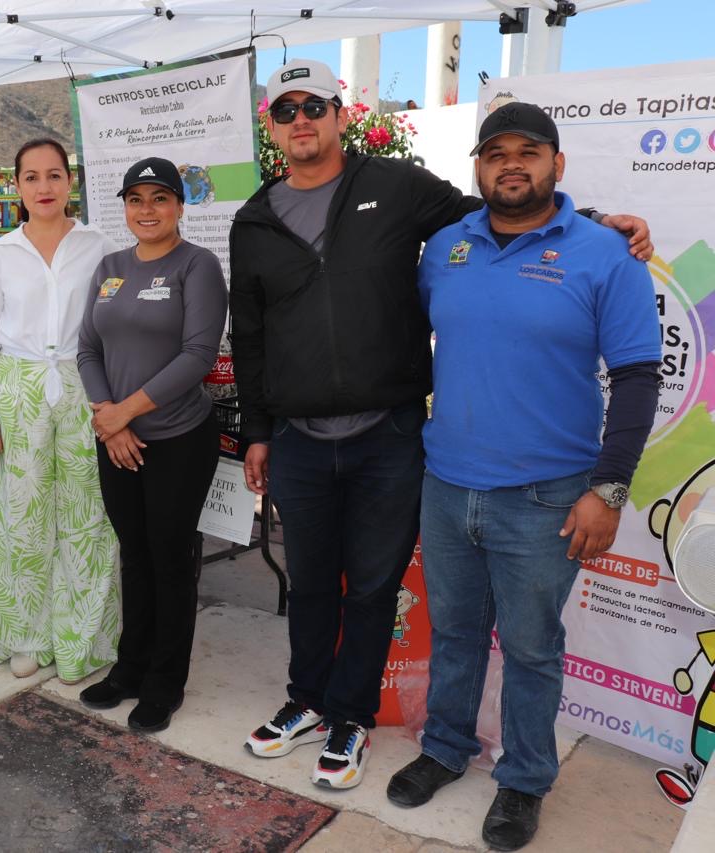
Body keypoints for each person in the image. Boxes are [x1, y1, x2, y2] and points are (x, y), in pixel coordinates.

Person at [230, 59, 652, 790]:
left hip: (449, 458)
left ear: (340, 115)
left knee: (435, 610)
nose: (302, 118)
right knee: (366, 602)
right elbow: (257, 332)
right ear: (273, 125)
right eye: (286, 108)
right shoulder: (264, 221)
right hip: (375, 457)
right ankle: (371, 722)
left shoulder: (397, 187)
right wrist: (259, 430)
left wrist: (593, 223)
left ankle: (437, 748)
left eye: (316, 105)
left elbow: (502, 209)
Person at [385, 103, 660, 851]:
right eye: (495, 152)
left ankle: (525, 777)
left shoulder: (605, 255)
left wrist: (608, 489)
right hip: (446, 484)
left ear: (557, 165)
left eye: (529, 151)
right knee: (458, 633)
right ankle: (445, 747)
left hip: (547, 499)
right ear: (478, 169)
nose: (512, 164)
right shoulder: (445, 248)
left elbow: (637, 377)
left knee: (533, 645)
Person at [76, 157, 226, 732]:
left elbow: (198, 356)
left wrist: (124, 415)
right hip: (117, 437)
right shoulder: (110, 267)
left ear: (180, 206)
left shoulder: (198, 265)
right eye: (136, 200)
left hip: (178, 439)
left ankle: (165, 682)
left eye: (159, 199)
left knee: (170, 557)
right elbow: (87, 347)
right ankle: (128, 669)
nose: (147, 210)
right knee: (133, 555)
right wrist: (108, 419)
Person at [0, 138, 120, 681]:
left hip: (85, 387)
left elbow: (112, 324)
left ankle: (82, 638)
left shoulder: (99, 247)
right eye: (32, 177)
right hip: (19, 392)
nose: (44, 187)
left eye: (54, 175)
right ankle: (28, 635)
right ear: (17, 185)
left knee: (86, 515)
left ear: (70, 182)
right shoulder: (0, 256)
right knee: (23, 518)